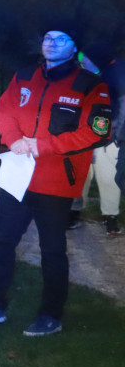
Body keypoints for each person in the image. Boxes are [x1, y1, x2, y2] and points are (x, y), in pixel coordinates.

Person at [0, 24, 111, 337]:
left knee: (52, 250)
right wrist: (14, 139)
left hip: (56, 182)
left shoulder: (90, 85)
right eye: (47, 38)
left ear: (74, 47)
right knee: (2, 242)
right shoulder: (25, 75)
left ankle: (50, 315)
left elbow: (96, 131)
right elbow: (4, 110)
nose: (52, 43)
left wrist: (43, 146)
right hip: (17, 176)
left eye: (61, 38)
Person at [67, 43, 124, 236]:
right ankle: (74, 213)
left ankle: (111, 217)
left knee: (108, 179)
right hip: (81, 140)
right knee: (80, 178)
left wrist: (113, 135)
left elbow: (121, 111)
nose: (84, 64)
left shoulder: (115, 81)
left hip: (107, 141)